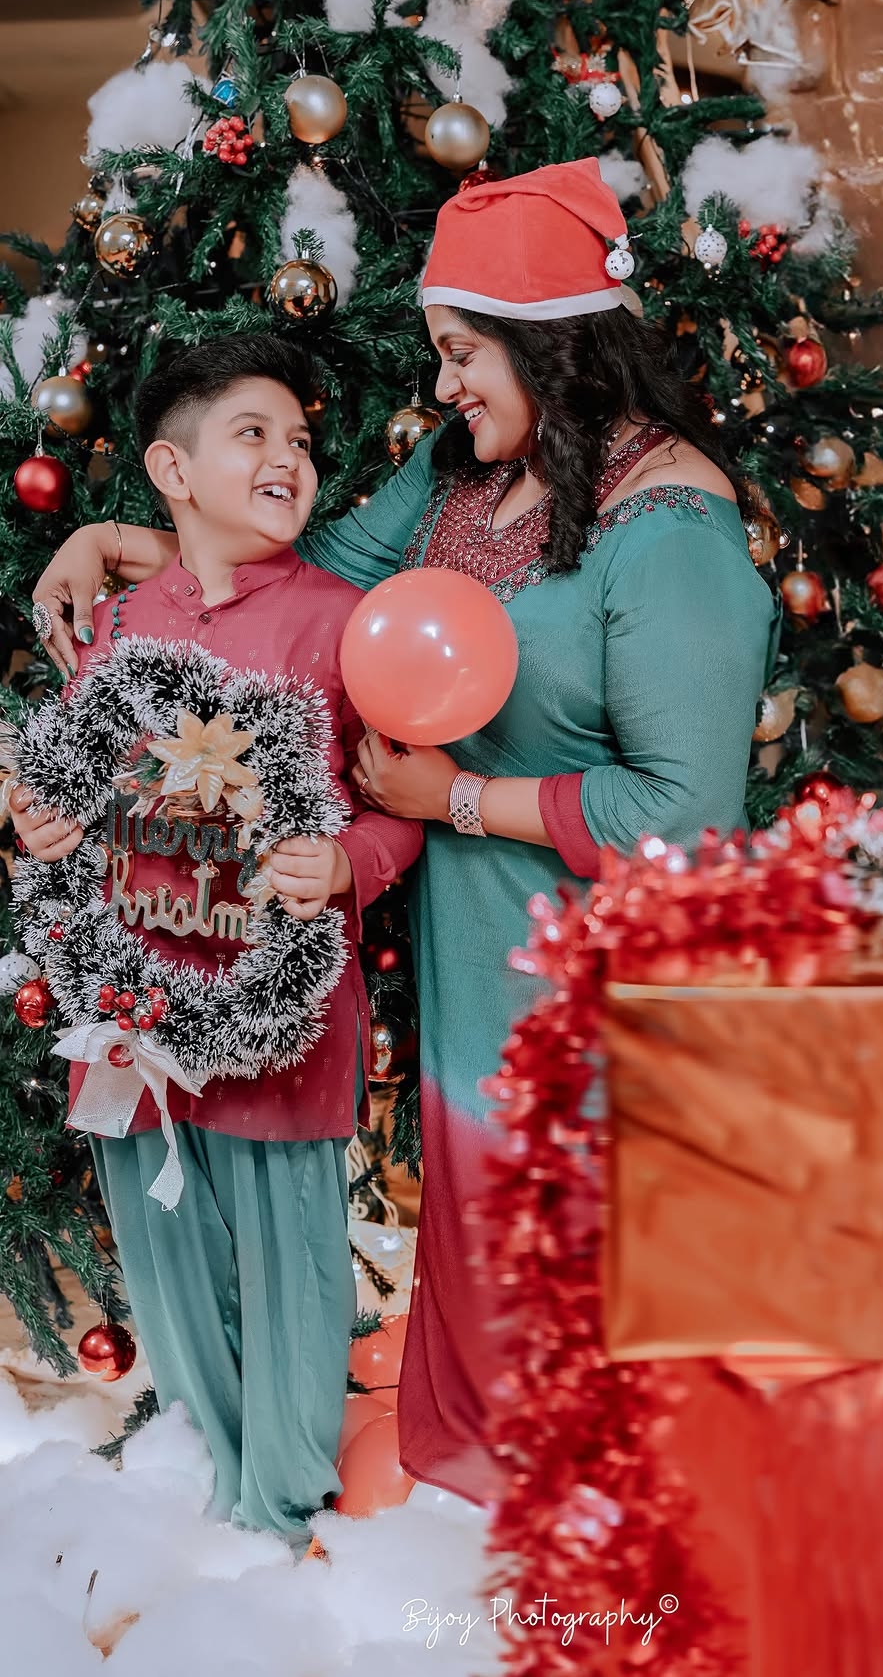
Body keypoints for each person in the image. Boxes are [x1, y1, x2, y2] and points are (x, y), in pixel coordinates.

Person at [32, 158, 779, 1505]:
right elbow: (299, 575)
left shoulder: (672, 529)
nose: (442, 386)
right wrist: (114, 536)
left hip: (602, 990)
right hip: (477, 964)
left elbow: (685, 813)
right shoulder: (462, 481)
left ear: (548, 339)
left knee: (596, 1305)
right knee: (493, 1276)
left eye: (462, 353)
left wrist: (460, 802)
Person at [13, 336, 422, 1543]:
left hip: (276, 1012)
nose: (290, 455)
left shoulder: (343, 625)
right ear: (173, 471)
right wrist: (45, 823)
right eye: (254, 433)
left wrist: (345, 862)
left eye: (300, 439)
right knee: (166, 1262)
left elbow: (401, 811)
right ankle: (212, 1512)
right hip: (133, 1010)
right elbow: (79, 791)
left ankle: (285, 1513)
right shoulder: (116, 625)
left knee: (292, 1270)